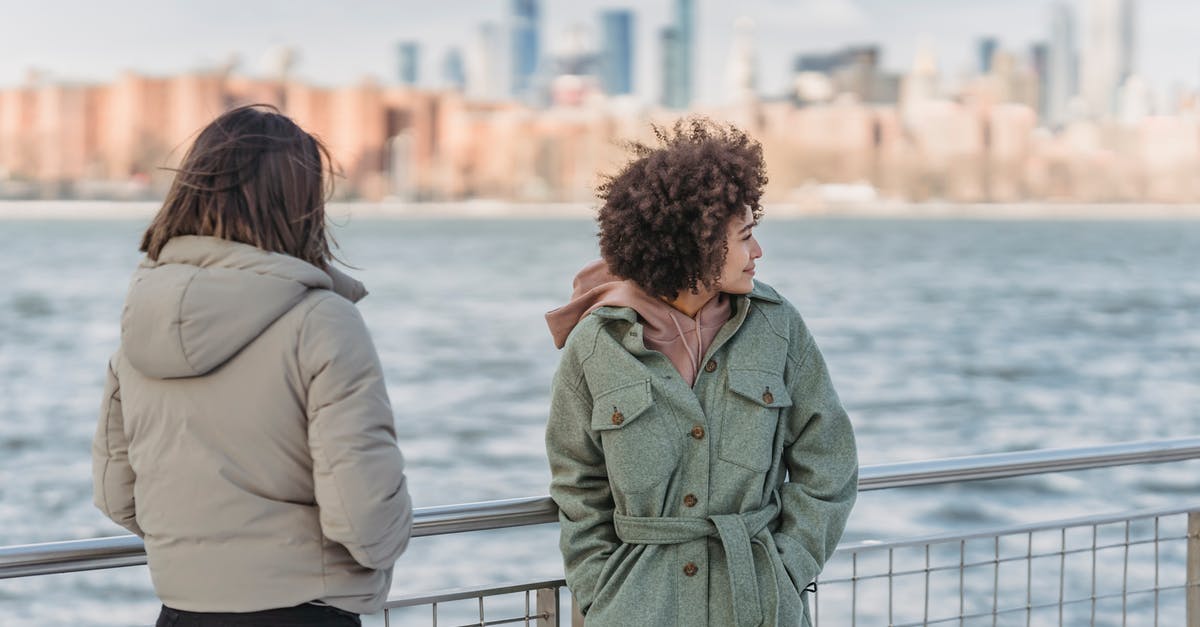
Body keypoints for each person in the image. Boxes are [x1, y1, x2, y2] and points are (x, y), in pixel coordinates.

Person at [91, 104, 413, 627]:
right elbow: (365, 516)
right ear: (300, 204)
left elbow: (115, 492)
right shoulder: (321, 320)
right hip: (303, 611)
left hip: (182, 612)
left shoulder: (139, 318)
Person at [544, 118, 858, 626]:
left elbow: (829, 462)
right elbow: (578, 486)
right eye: (745, 237)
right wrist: (601, 590)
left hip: (756, 607)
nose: (758, 252)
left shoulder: (777, 328)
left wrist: (785, 568)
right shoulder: (595, 344)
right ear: (696, 243)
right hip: (636, 612)